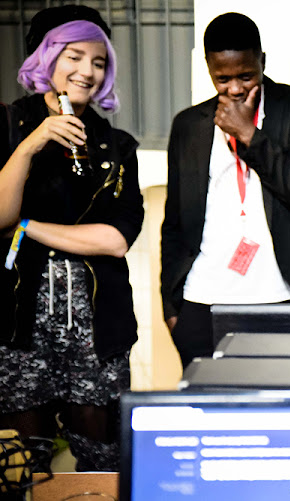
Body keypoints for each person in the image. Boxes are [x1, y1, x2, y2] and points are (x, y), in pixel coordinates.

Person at [0, 5, 143, 471]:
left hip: (97, 323)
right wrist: (32, 143)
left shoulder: (118, 145)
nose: (87, 71)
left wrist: (27, 228)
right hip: (19, 319)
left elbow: (116, 238)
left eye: (98, 62)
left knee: (101, 453)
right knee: (24, 460)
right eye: (74, 56)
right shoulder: (8, 126)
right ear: (46, 59)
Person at [161, 12, 290, 368]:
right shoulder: (188, 125)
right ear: (208, 69)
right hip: (202, 299)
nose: (235, 88)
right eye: (223, 79)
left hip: (281, 294)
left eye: (246, 75)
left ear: (262, 61)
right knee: (208, 414)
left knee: (281, 409)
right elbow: (173, 221)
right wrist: (171, 306)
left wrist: (249, 136)